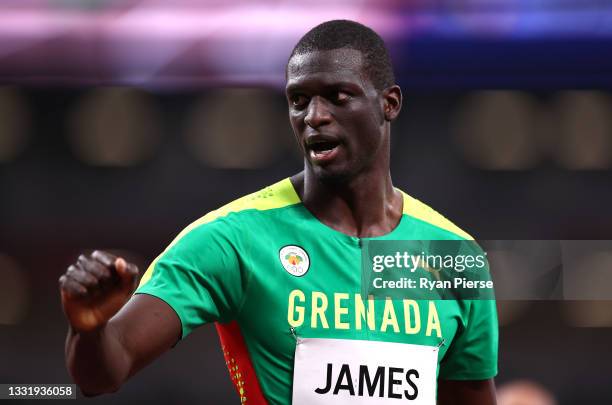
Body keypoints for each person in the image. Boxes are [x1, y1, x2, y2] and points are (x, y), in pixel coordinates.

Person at [59, 20, 498, 404]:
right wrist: (89, 330)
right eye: (299, 99)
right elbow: (104, 372)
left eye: (337, 96)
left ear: (390, 103)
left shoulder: (453, 255)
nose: (314, 116)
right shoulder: (233, 241)